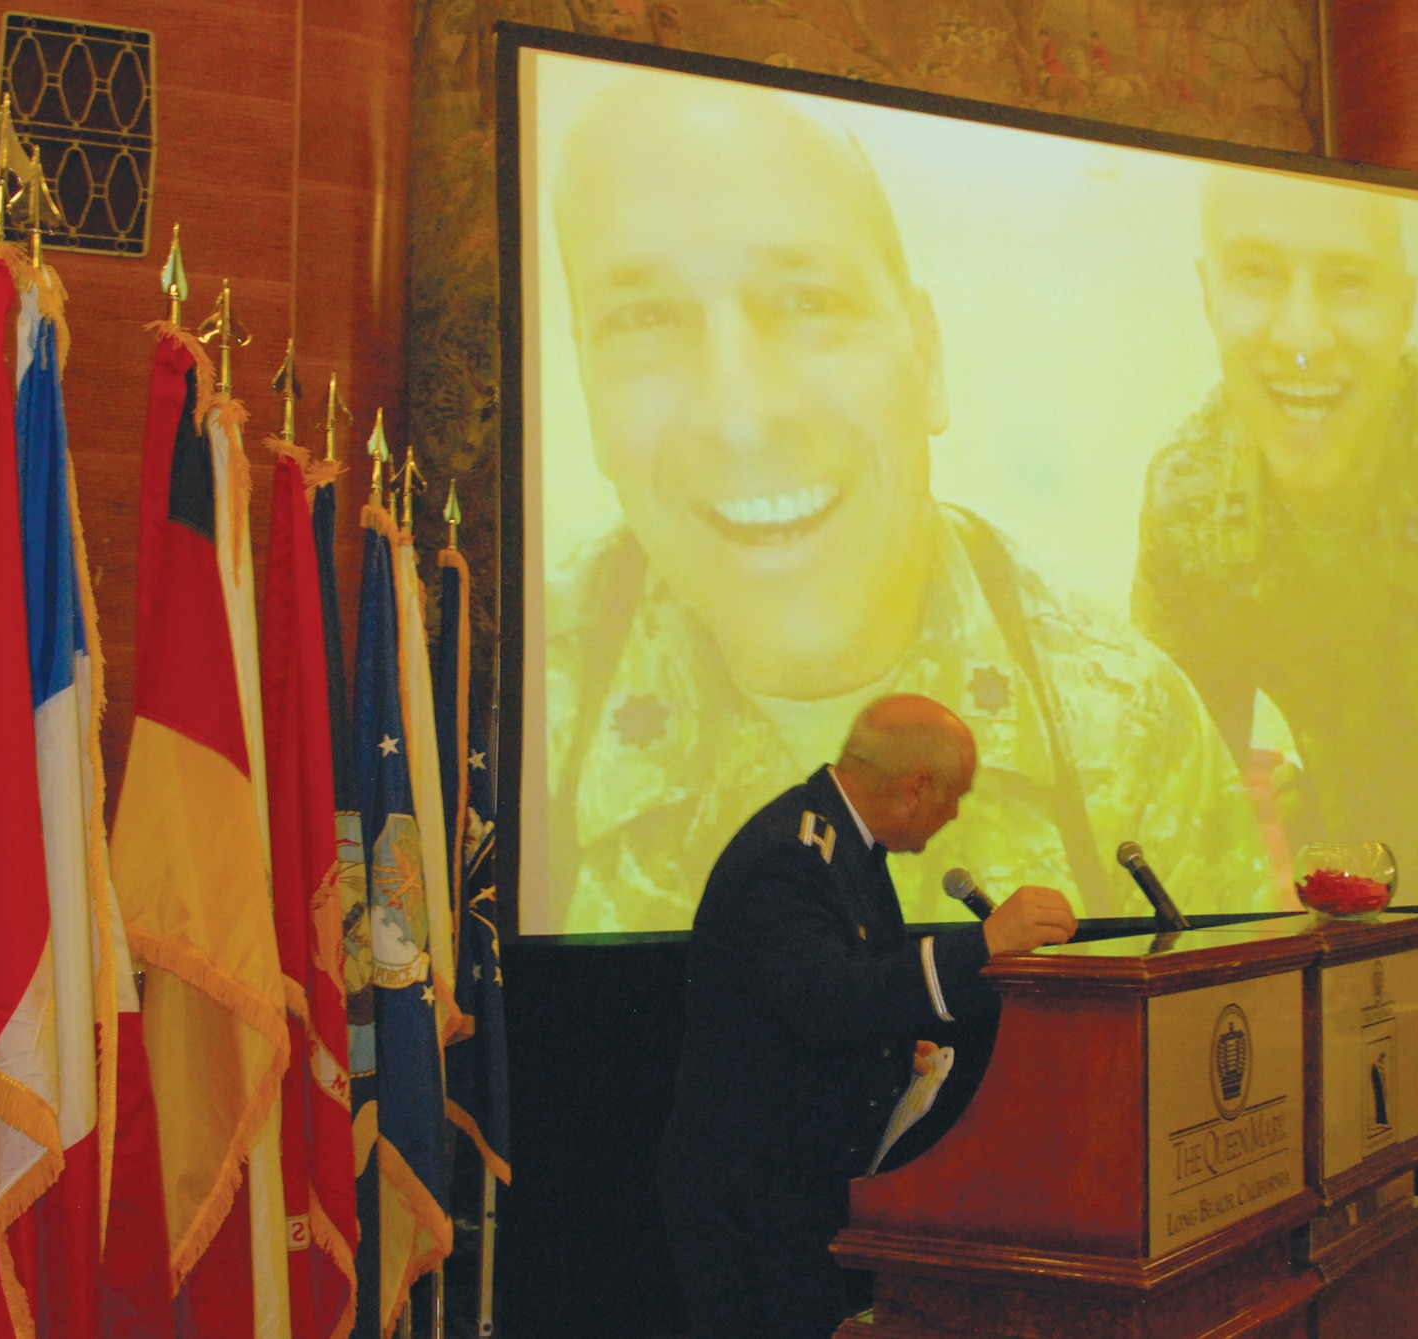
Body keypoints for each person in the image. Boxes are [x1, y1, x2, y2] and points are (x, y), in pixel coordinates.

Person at [544, 74, 1274, 933]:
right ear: (589, 390)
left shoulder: (1129, 727)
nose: (740, 416)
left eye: (807, 301)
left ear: (926, 358)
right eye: (645, 319)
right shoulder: (526, 712)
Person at [657, 695, 1077, 1339]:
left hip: (792, 1181)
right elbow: (828, 1005)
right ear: (916, 787)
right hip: (752, 1191)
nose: (955, 813)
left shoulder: (839, 841)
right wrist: (987, 943)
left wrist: (892, 1046)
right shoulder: (792, 854)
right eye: (954, 795)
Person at [1132, 167, 1418, 897]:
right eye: (1257, 274)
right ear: (1208, 295)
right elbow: (1192, 785)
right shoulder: (1189, 496)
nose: (1303, 338)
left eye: (1346, 281)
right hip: (1351, 885)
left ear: (1405, 304)